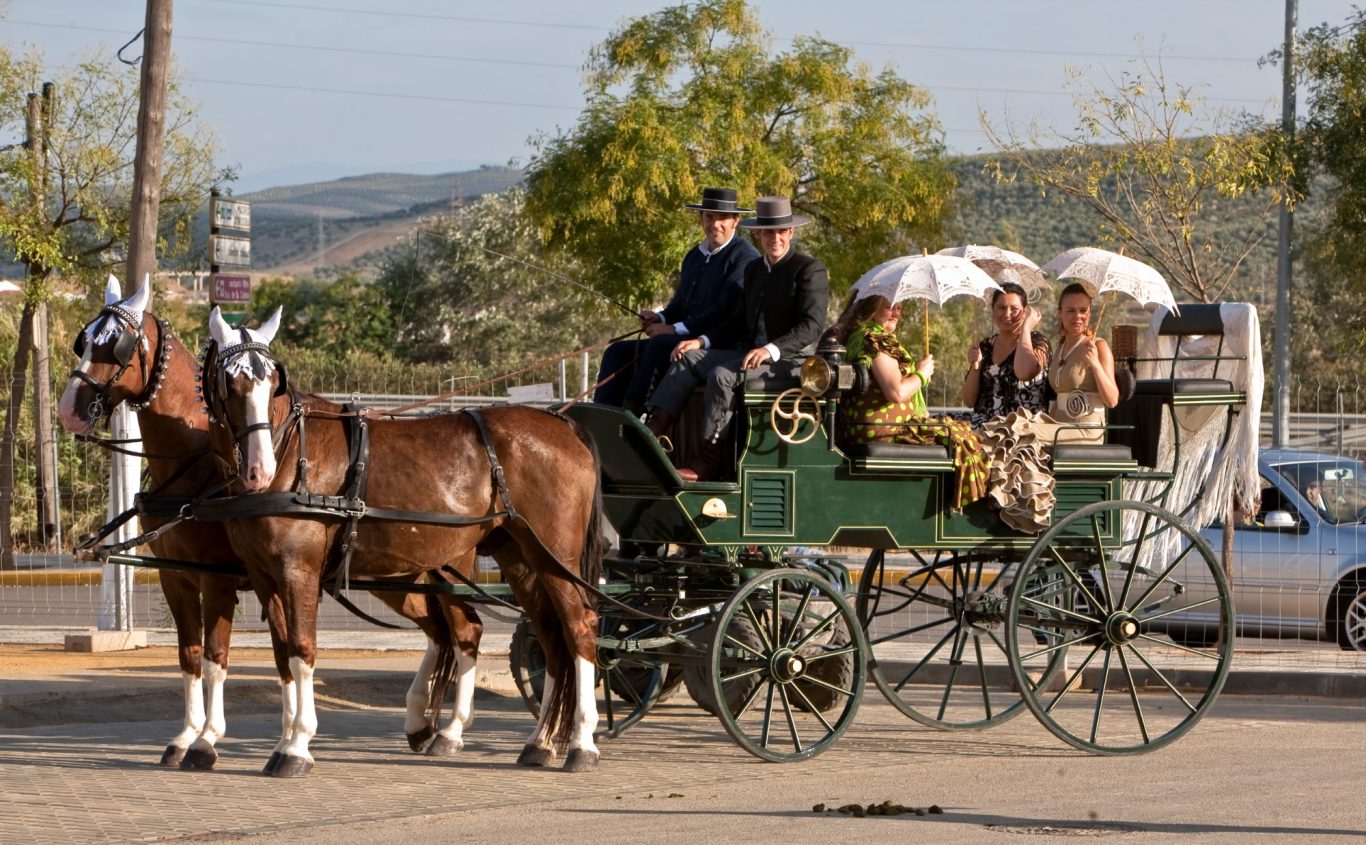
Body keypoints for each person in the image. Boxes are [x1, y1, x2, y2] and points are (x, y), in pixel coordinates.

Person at [645, 195, 830, 482]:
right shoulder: (754, 270)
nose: (775, 238)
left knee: (722, 376)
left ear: (791, 232)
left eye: (781, 232)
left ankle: (707, 461)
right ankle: (653, 438)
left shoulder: (808, 269)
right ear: (758, 234)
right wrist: (701, 341)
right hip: (747, 353)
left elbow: (812, 326)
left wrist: (770, 350)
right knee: (686, 358)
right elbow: (737, 321)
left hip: (790, 361)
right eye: (768, 232)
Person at [593, 187, 760, 413]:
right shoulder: (694, 256)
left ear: (735, 221)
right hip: (682, 337)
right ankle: (604, 415)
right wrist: (660, 318)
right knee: (616, 352)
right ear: (701, 218)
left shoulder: (745, 257)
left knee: (659, 345)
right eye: (709, 217)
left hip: (718, 342)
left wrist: (673, 329)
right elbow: (680, 304)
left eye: (722, 218)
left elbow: (724, 310)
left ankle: (634, 414)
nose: (715, 224)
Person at [979, 283, 1120, 532]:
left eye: (1083, 311)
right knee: (1009, 424)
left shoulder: (1098, 346)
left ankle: (1020, 505)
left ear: (1090, 312)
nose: (1077, 317)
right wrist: (1041, 421)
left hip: (1085, 431)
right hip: (1059, 425)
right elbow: (1057, 399)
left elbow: (1112, 400)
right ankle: (1002, 490)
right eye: (1071, 311)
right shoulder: (1062, 347)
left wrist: (1096, 365)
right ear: (1060, 313)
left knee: (1018, 428)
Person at [831, 294, 988, 510]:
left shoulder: (856, 337)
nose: (896, 313)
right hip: (887, 430)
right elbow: (896, 392)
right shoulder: (875, 340)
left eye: (899, 307)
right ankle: (971, 508)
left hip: (862, 428)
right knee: (966, 438)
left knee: (957, 429)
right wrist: (922, 374)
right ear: (871, 309)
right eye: (889, 307)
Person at [961, 282, 1051, 428]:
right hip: (983, 424)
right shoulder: (985, 347)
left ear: (1025, 312)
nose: (1007, 314)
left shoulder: (1038, 343)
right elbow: (969, 401)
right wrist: (975, 367)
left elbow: (1024, 372)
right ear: (993, 310)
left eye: (1014, 309)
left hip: (1021, 427)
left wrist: (1026, 329)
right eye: (1001, 308)